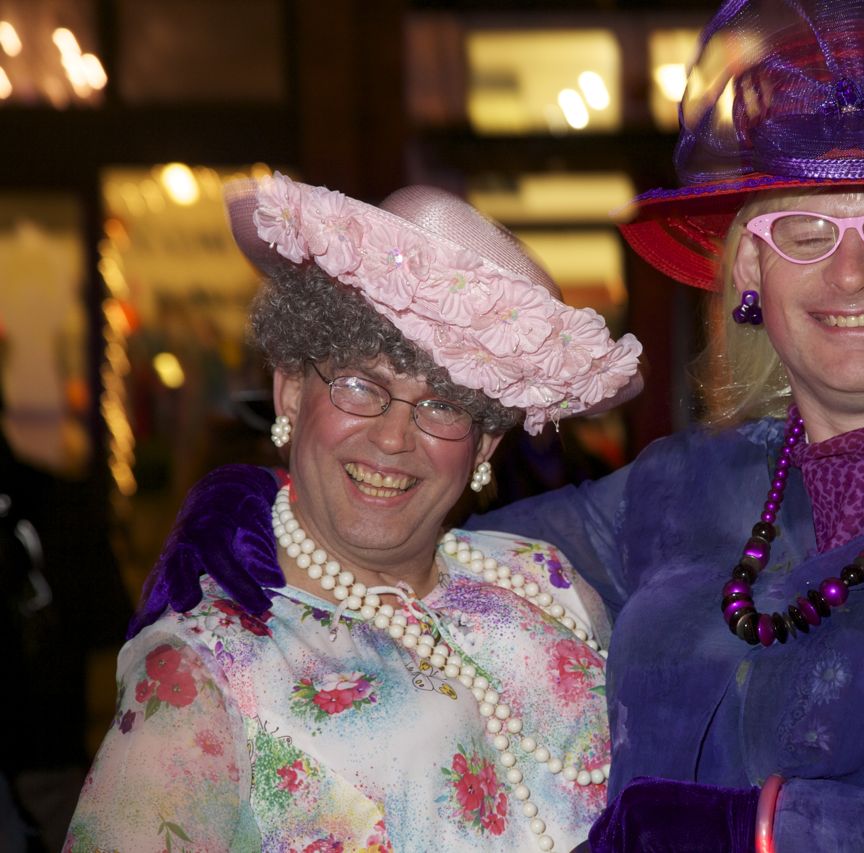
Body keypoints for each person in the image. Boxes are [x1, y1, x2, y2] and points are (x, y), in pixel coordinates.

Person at [134, 1, 864, 849]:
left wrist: (771, 830)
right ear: (748, 270)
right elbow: (427, 545)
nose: (852, 272)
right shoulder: (676, 490)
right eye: (804, 230)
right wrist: (270, 514)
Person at [64, 176, 642, 852]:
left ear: (485, 441)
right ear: (290, 389)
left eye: (442, 404)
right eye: (361, 385)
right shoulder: (204, 669)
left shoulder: (546, 581)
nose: (394, 438)